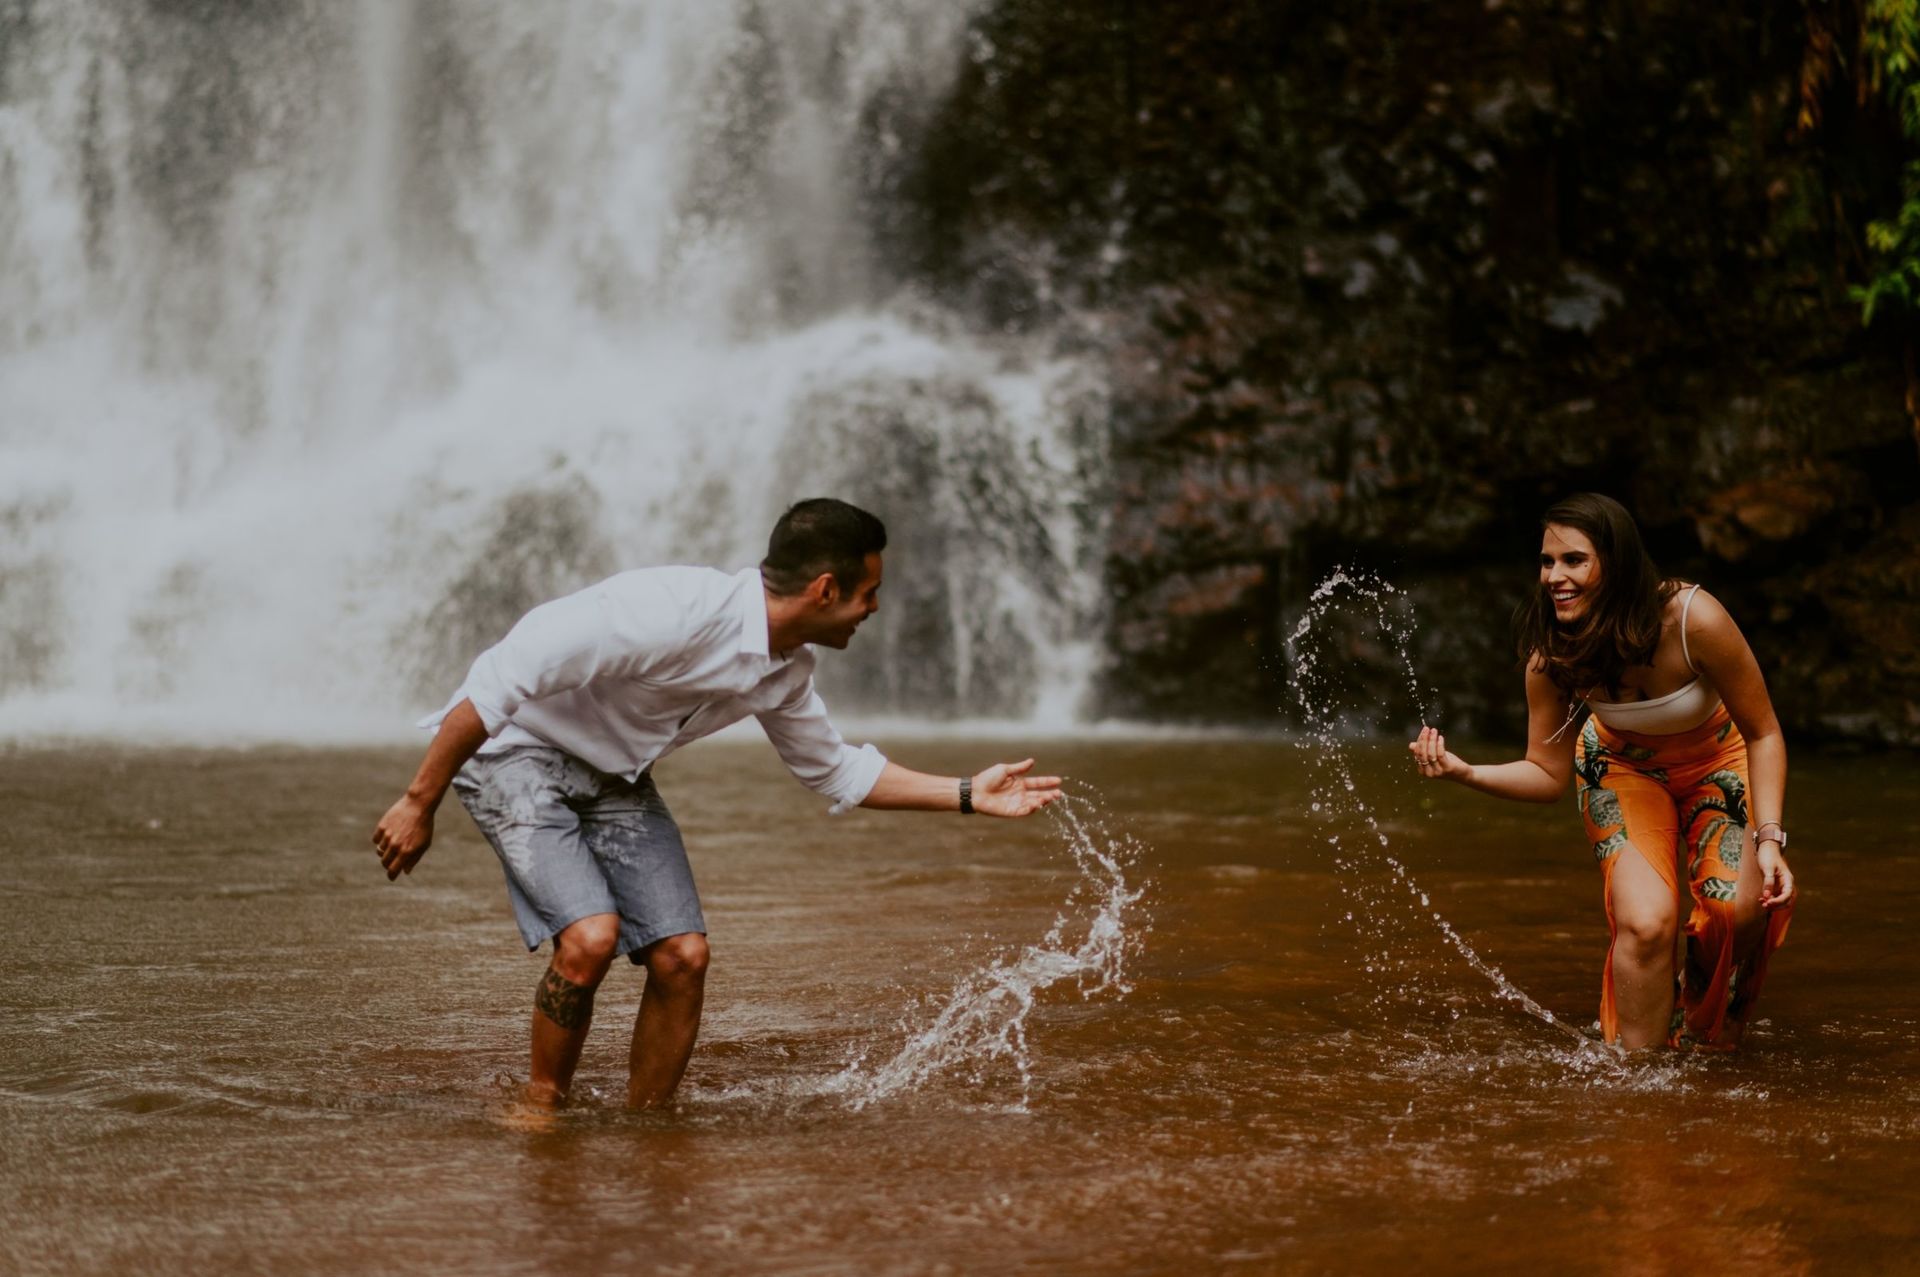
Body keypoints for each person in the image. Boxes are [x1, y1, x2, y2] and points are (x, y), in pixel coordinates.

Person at [371, 498, 1062, 1108]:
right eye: (869, 593)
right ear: (826, 589)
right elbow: (501, 677)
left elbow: (834, 770)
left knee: (684, 956)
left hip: (614, 775)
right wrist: (417, 800)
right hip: (513, 751)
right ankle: (541, 1105)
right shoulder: (669, 611)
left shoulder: (786, 669)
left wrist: (968, 793)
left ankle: (650, 1128)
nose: (874, 609)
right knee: (591, 937)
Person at [1408, 493, 1797, 1049]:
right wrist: (1464, 772)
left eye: (1574, 560)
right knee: (1646, 923)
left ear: (1616, 563)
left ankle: (1699, 1009)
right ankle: (1638, 1075)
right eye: (1547, 562)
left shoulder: (1693, 618)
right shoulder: (1552, 654)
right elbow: (1545, 774)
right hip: (1620, 767)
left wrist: (1770, 840)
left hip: (1719, 760)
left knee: (1732, 910)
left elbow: (1764, 733)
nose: (1554, 577)